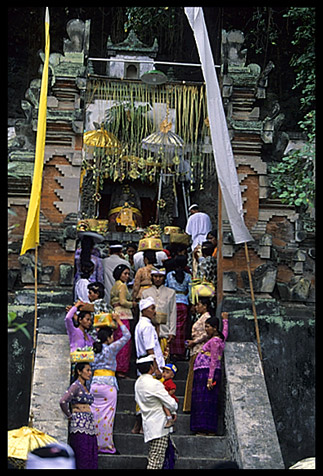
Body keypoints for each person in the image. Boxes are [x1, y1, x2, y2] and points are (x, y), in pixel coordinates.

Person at [90, 315, 131, 454]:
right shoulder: (111, 348)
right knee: (107, 418)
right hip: (108, 384)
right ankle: (106, 446)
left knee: (94, 416)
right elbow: (127, 336)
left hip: (94, 384)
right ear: (108, 338)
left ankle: (93, 444)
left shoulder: (93, 350)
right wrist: (119, 320)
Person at [134, 354, 178, 470]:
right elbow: (171, 403)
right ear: (151, 367)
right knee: (156, 460)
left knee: (154, 456)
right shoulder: (154, 383)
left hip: (148, 423)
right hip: (160, 425)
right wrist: (173, 410)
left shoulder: (138, 383)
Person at [190, 312, 229, 435]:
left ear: (215, 328)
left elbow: (213, 360)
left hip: (205, 372)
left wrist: (210, 378)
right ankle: (207, 428)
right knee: (208, 400)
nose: (206, 329)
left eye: (208, 327)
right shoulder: (220, 339)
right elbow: (226, 333)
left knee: (203, 400)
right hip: (205, 371)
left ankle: (203, 428)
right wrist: (225, 321)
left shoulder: (214, 341)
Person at [132, 297, 165, 434]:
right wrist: (156, 368)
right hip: (149, 363)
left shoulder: (142, 325)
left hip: (144, 362)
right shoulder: (146, 326)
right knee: (150, 396)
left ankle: (139, 426)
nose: (154, 311)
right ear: (144, 310)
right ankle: (141, 425)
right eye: (152, 308)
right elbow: (150, 349)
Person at [59, 362, 98, 469]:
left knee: (90, 453)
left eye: (90, 370)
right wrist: (69, 415)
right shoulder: (75, 386)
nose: (90, 373)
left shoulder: (86, 386)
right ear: (79, 372)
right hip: (79, 425)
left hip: (89, 424)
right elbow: (63, 401)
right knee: (82, 453)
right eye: (87, 370)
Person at [183, 297, 213, 413]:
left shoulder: (207, 318)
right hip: (195, 348)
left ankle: (190, 405)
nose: (196, 307)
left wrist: (195, 341)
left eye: (198, 305)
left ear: (205, 306)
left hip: (200, 349)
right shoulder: (200, 317)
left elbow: (206, 334)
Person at [142, 267, 177, 360]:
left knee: (163, 359)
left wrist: (172, 331)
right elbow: (142, 313)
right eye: (155, 276)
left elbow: (173, 312)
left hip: (164, 331)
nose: (158, 279)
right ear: (152, 277)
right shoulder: (145, 293)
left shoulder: (171, 293)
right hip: (149, 330)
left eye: (160, 277)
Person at [110, 264, 135, 377]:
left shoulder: (114, 285)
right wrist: (133, 304)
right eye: (125, 273)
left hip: (115, 314)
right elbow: (123, 301)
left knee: (117, 340)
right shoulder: (123, 286)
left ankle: (115, 366)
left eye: (128, 274)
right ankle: (121, 368)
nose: (127, 276)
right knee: (125, 343)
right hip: (124, 315)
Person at [165, 255, 192, 360]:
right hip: (183, 303)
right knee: (181, 329)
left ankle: (171, 351)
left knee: (171, 327)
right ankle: (180, 352)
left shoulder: (169, 275)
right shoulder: (188, 276)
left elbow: (166, 289)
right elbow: (190, 292)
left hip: (172, 303)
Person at [185, 204, 212, 277]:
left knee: (195, 263)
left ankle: (196, 278)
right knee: (207, 262)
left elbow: (188, 232)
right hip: (205, 242)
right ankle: (207, 277)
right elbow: (210, 229)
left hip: (196, 241)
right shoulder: (206, 216)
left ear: (192, 211)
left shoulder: (191, 218)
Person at [74, 234, 104, 299]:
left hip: (78, 282)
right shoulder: (97, 260)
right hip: (93, 286)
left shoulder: (77, 259)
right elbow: (99, 277)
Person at [161, 363, 179, 428]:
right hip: (167, 399)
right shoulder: (164, 381)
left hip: (171, 400)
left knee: (165, 407)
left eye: (167, 372)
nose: (164, 374)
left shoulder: (169, 382)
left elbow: (173, 389)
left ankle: (170, 419)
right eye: (163, 372)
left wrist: (167, 394)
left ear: (172, 375)